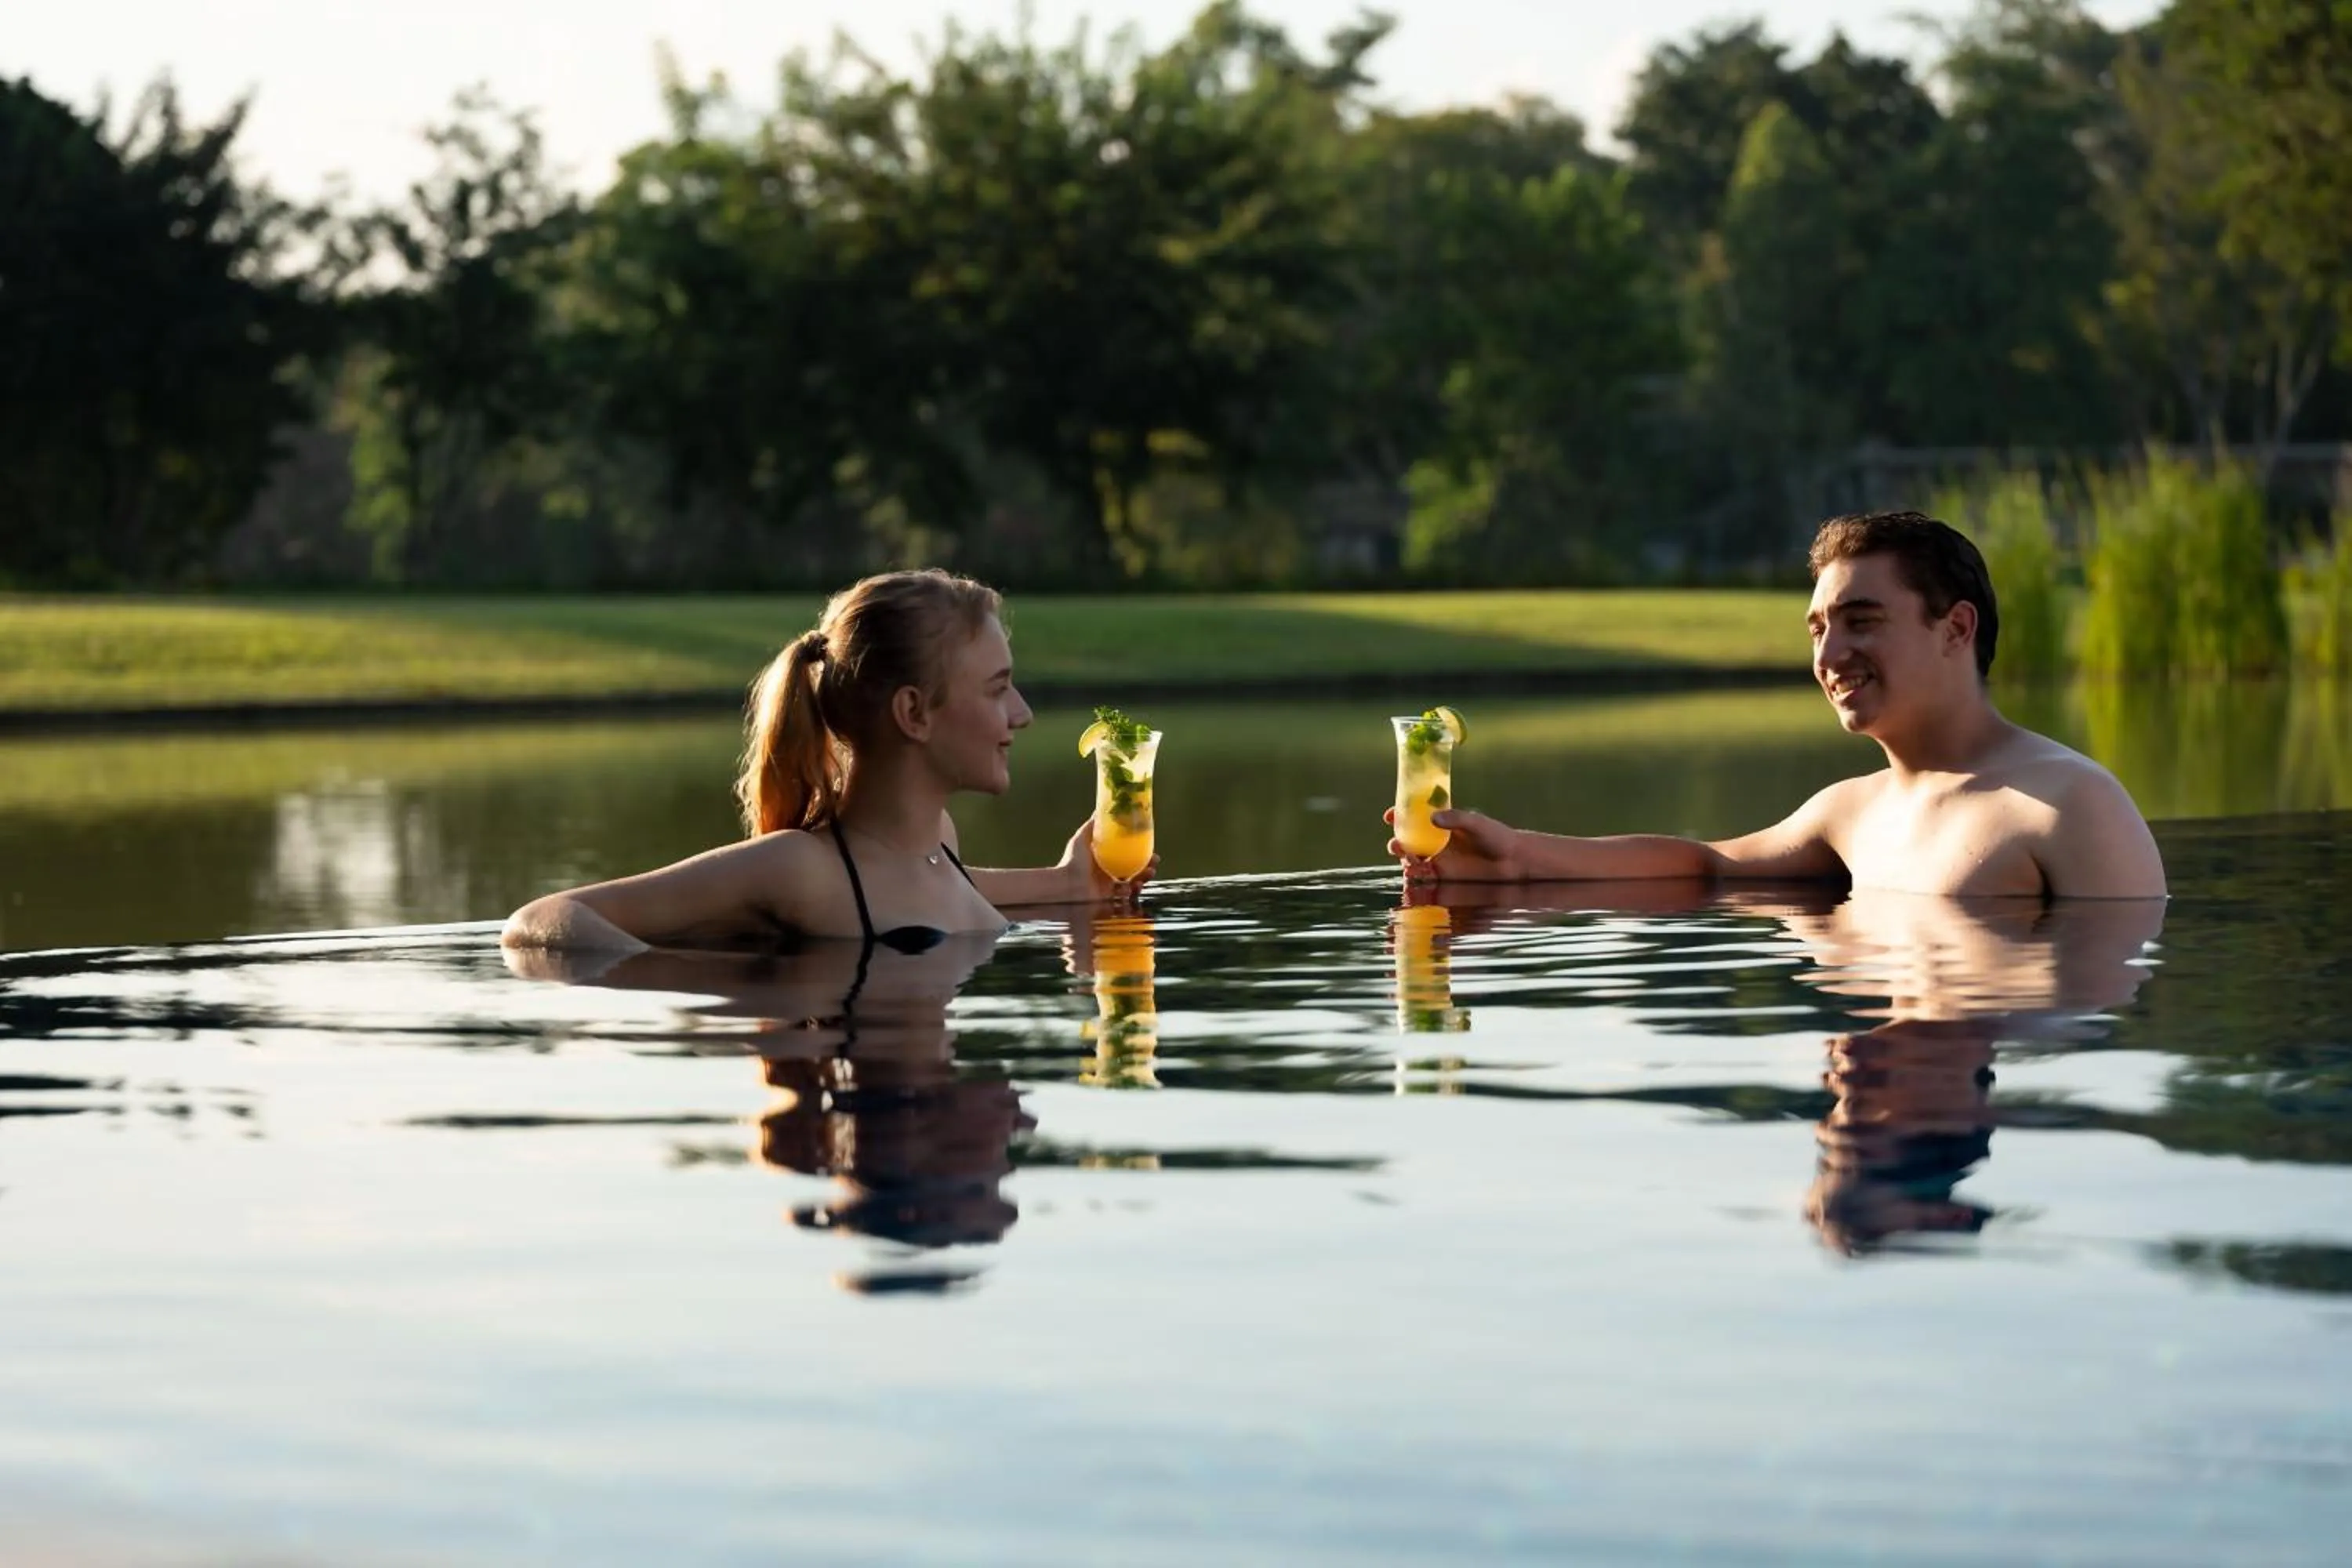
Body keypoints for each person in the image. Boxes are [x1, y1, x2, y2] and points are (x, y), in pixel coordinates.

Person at [1389, 511, 2167, 899]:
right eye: (1820, 629)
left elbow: (2098, 1016)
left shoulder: (2069, 804)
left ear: (1955, 628)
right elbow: (1704, 868)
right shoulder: (1849, 812)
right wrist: (1514, 859)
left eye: (1864, 622)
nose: (1830, 658)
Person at [503, 569, 1146, 954]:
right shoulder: (797, 870)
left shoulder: (933, 848)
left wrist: (1068, 885)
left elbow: (940, 889)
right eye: (997, 687)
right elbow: (540, 922)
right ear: (914, 713)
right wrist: (720, 988)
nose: (1022, 713)